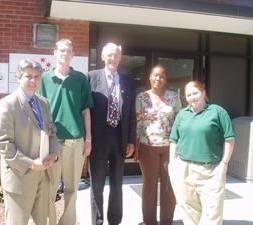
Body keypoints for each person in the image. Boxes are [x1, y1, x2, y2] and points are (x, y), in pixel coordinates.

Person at [0, 59, 59, 225]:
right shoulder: (7, 105)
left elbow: (52, 133)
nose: (33, 80)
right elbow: (3, 143)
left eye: (37, 76)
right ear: (18, 78)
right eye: (28, 76)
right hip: (19, 177)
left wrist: (54, 154)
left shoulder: (44, 103)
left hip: (43, 176)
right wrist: (30, 164)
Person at [37, 39, 93, 225]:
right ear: (54, 52)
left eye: (68, 51)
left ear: (72, 55)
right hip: (52, 142)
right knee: (49, 188)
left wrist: (89, 139)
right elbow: (38, 110)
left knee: (72, 189)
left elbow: (86, 110)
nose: (65, 54)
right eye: (61, 50)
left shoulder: (80, 79)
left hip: (75, 142)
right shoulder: (44, 79)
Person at [168, 81, 235, 225]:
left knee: (212, 214)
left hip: (210, 170)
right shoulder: (182, 114)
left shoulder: (217, 111)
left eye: (195, 93)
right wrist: (173, 164)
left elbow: (229, 138)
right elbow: (174, 139)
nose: (192, 97)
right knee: (189, 210)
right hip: (184, 169)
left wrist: (224, 164)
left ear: (204, 93)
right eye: (188, 95)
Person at [87, 42, 136, 225]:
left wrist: (130, 140)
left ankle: (115, 220)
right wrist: (87, 139)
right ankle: (97, 222)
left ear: (120, 57)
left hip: (119, 138)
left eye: (116, 55)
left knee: (117, 184)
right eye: (109, 55)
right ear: (102, 57)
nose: (113, 58)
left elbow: (131, 114)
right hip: (98, 139)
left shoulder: (127, 81)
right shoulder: (90, 78)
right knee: (97, 185)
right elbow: (85, 111)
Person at [134, 64, 181, 225]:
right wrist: (136, 147)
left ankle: (167, 222)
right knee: (149, 187)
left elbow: (179, 122)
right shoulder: (141, 97)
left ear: (165, 79)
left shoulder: (174, 97)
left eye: (161, 76)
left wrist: (179, 147)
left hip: (170, 148)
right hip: (148, 148)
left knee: (169, 187)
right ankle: (149, 222)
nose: (158, 78)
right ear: (150, 77)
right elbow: (138, 123)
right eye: (155, 75)